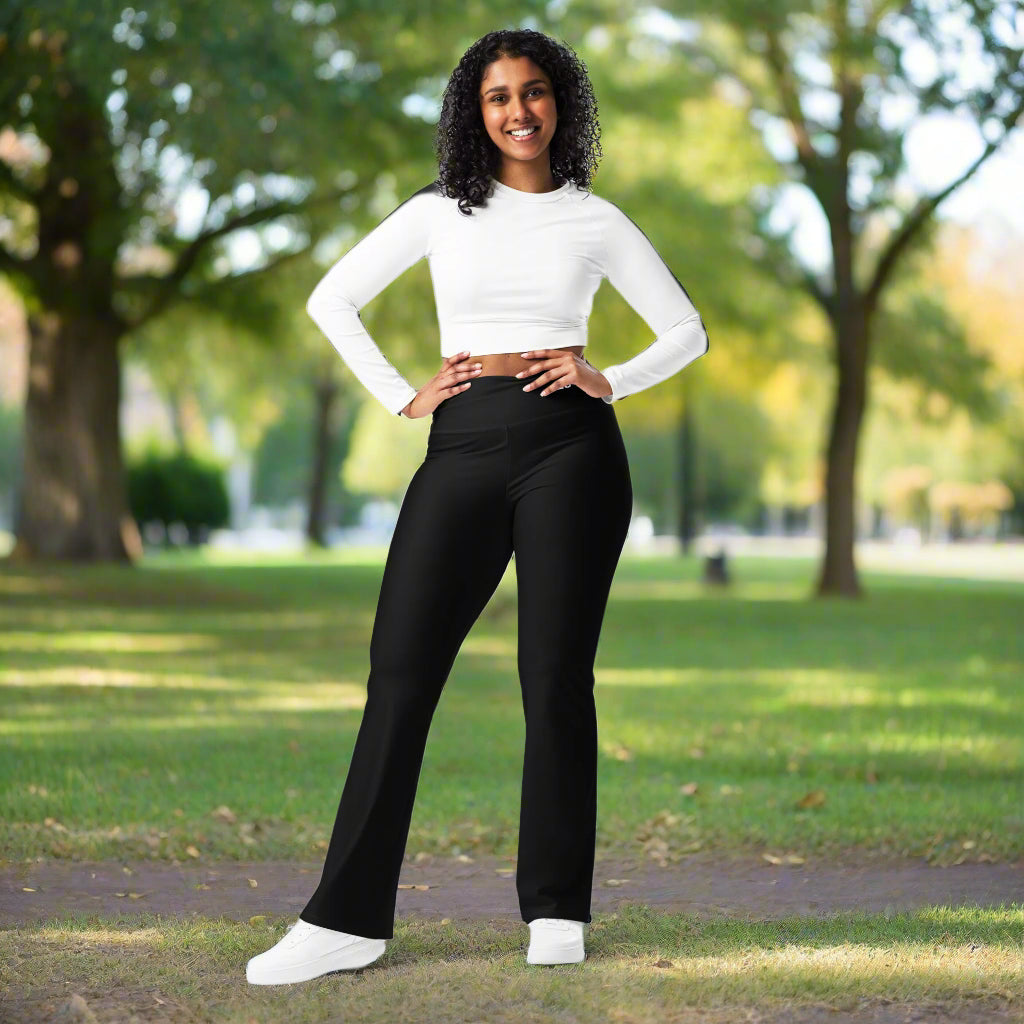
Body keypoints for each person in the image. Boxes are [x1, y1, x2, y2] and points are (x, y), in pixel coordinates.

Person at [247, 26, 709, 985]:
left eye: (535, 92)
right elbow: (333, 299)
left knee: (554, 676)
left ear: (561, 104)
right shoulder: (438, 213)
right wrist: (398, 394)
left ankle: (556, 911)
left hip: (572, 450)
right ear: (476, 112)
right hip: (459, 441)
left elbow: (687, 330)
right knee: (401, 671)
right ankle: (346, 921)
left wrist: (607, 376)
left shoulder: (595, 218)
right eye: (499, 97)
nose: (520, 111)